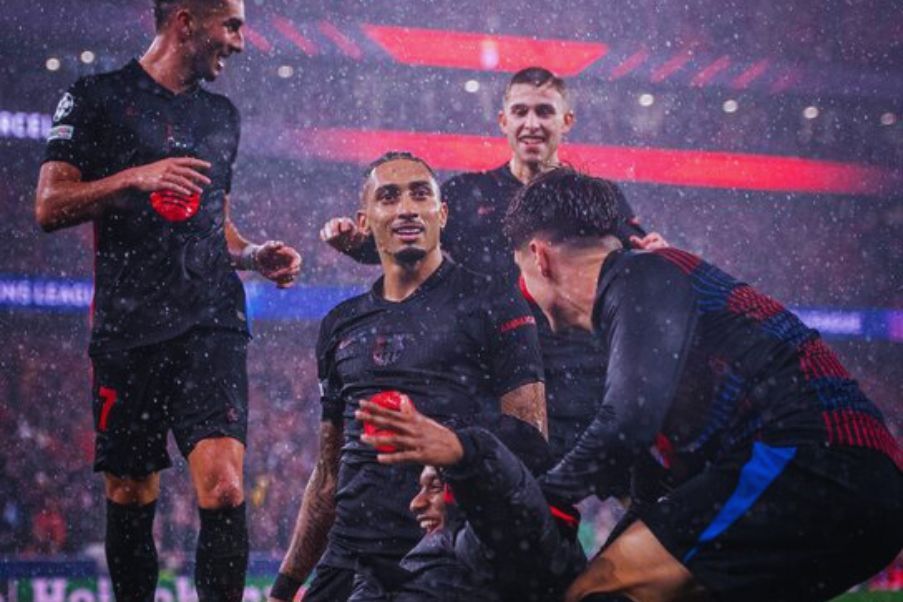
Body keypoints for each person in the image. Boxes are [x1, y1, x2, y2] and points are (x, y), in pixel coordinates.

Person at [505, 167, 903, 602]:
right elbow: (651, 490)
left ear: (538, 257)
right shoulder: (639, 316)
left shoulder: (641, 275)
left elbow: (627, 422)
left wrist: (527, 498)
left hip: (814, 460)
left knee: (595, 593)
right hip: (845, 479)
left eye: (520, 272)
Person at [34, 1, 302, 600]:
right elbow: (49, 205)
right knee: (131, 492)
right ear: (186, 21)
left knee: (227, 488)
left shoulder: (221, 116)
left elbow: (217, 224)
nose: (240, 39)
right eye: (231, 24)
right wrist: (136, 176)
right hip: (129, 326)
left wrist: (254, 254)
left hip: (212, 319)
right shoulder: (95, 97)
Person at [319, 66, 666, 461]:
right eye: (520, 112)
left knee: (607, 498)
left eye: (544, 112)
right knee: (507, 505)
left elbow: (637, 261)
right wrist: (357, 244)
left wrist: (656, 256)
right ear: (503, 121)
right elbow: (412, 242)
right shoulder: (467, 194)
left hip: (579, 378)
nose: (531, 123)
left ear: (566, 121)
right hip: (493, 383)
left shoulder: (594, 197)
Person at [269, 152, 546, 602]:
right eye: (388, 197)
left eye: (420, 194)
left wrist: (454, 454)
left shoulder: (496, 304)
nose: (406, 208)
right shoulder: (341, 324)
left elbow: (531, 442)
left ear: (442, 213)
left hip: (446, 556)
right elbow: (328, 474)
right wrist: (284, 587)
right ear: (366, 219)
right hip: (349, 556)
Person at [349, 400, 586, 601]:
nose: (416, 503)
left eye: (435, 486)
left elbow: (508, 517)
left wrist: (469, 455)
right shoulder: (450, 556)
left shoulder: (513, 552)